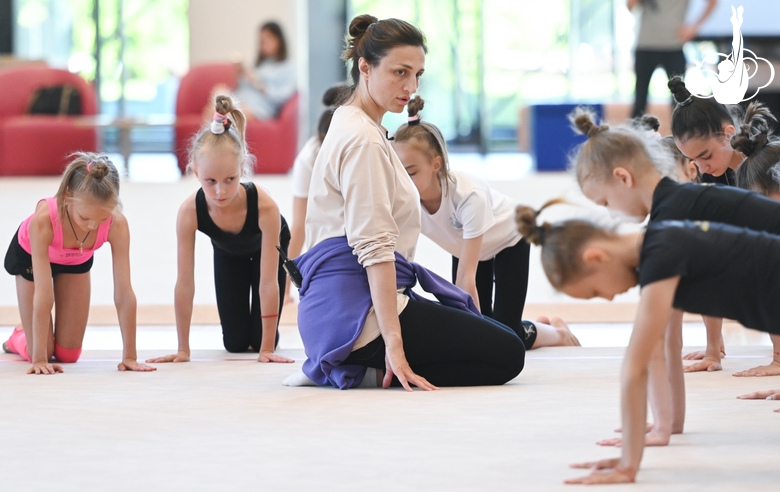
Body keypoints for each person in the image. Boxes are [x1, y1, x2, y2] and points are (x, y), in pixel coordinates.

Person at [284, 15, 525, 391]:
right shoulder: (362, 140)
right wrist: (394, 346)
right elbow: (375, 248)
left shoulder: (352, 124)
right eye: (400, 72)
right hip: (355, 317)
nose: (411, 87)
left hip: (336, 310)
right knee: (508, 353)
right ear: (365, 67)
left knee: (496, 333)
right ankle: (364, 370)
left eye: (418, 74)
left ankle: (358, 364)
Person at [515, 207, 780, 484]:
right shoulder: (658, 248)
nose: (605, 299)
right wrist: (668, 425)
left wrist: (628, 464)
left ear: (596, 257)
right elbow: (661, 346)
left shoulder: (662, 255)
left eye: (594, 291)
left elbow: (635, 367)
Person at [569, 105, 780, 447]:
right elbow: (667, 337)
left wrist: (644, 444)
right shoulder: (674, 213)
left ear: (623, 178)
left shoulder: (668, 225)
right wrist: (668, 424)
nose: (611, 213)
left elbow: (650, 349)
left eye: (606, 201)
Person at [391, 96, 579, 348]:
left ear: (436, 164)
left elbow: (465, 278)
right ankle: (539, 326)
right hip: (468, 247)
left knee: (505, 334)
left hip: (508, 240)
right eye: (397, 171)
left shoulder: (468, 196)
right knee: (485, 322)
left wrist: (475, 339)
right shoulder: (403, 199)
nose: (403, 180)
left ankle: (558, 334)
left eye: (411, 172)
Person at [147, 95, 292, 364]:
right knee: (235, 344)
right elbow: (185, 283)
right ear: (194, 172)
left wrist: (267, 349)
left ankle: (268, 336)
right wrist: (183, 349)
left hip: (266, 247)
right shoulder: (190, 211)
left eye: (230, 180)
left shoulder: (265, 207)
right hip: (228, 251)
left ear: (242, 168)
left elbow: (268, 282)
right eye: (210, 181)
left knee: (260, 338)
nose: (220, 191)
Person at [2, 153, 155, 375]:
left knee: (68, 355)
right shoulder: (43, 221)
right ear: (67, 197)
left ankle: (32, 331)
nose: (92, 227)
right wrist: (39, 359)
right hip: (31, 257)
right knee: (43, 348)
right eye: (84, 218)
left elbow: (124, 293)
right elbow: (44, 294)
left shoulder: (118, 224)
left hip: (75, 259)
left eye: (102, 219)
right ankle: (19, 335)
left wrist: (130, 356)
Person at [284, 85, 344, 305]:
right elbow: (299, 225)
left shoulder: (364, 147)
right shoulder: (309, 159)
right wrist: (285, 288)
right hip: (330, 239)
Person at [629, 0, 717, 119]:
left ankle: (681, 136)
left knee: (679, 101)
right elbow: (630, 7)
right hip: (645, 46)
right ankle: (635, 136)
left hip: (673, 47)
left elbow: (712, 2)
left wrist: (694, 27)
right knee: (640, 100)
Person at [668, 76, 743, 185]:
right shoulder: (711, 177)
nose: (702, 169)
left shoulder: (768, 170)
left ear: (729, 134)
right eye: (693, 160)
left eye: (706, 157)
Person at [231, 21, 296, 120]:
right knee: (218, 94)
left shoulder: (287, 67)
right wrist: (241, 74)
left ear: (279, 40)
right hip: (242, 100)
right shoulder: (260, 64)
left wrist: (258, 83)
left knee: (226, 115)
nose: (264, 44)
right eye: (261, 41)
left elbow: (281, 97)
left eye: (268, 39)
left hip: (260, 108)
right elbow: (242, 88)